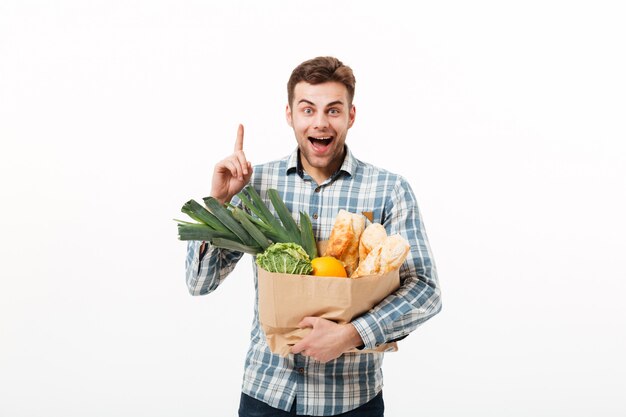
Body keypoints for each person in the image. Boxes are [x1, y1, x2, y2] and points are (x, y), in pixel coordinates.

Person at [185, 56, 442, 416]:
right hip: (266, 394)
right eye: (308, 109)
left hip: (351, 401)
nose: (320, 122)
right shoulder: (255, 184)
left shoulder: (388, 190)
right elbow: (200, 283)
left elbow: (425, 290)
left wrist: (351, 334)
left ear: (351, 116)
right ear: (289, 115)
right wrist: (220, 202)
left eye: (333, 110)